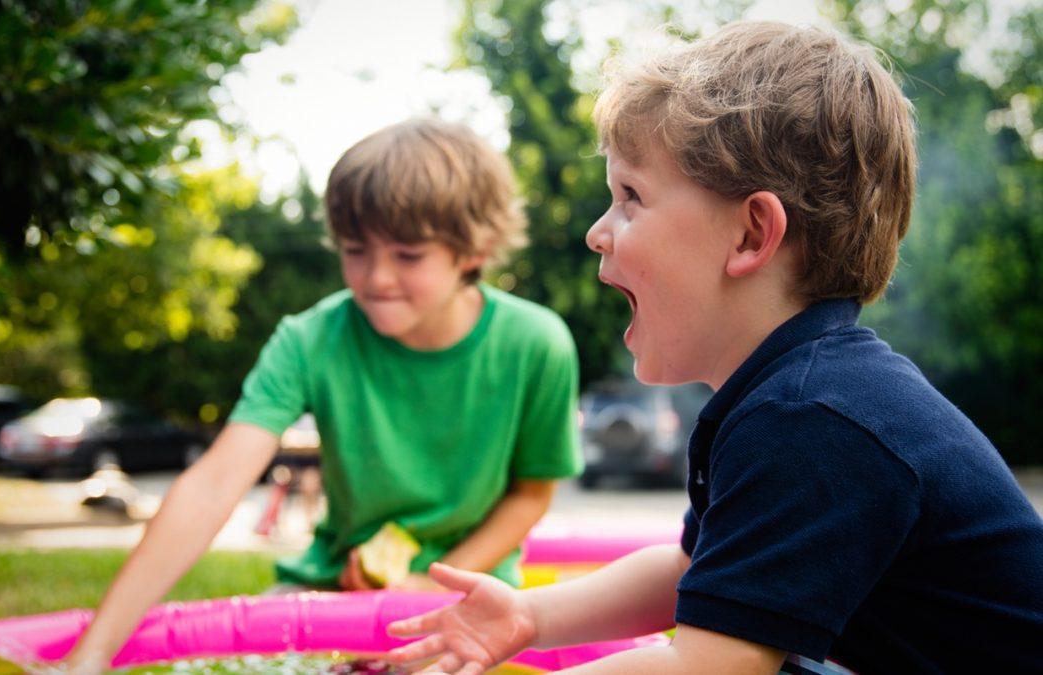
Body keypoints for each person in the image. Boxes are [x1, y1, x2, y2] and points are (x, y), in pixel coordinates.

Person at [384, 22, 1043, 675]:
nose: (595, 232)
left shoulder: (813, 419)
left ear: (751, 234)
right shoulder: (795, 393)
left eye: (630, 198)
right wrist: (532, 616)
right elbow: (692, 571)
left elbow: (708, 665)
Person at [64, 118, 583, 672]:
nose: (376, 278)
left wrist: (425, 585)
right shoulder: (310, 338)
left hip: (471, 598)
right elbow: (213, 484)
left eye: (408, 255)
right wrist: (92, 655)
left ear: (473, 250)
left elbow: (531, 494)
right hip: (331, 592)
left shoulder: (537, 343)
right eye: (355, 250)